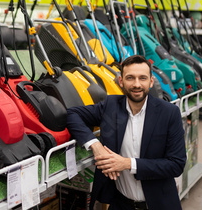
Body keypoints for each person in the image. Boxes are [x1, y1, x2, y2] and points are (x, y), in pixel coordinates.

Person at [66, 55, 186, 210]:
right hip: (121, 204)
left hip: (158, 204)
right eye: (130, 78)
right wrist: (96, 146)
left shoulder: (169, 113)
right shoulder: (111, 107)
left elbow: (176, 164)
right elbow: (72, 114)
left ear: (151, 82)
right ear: (121, 81)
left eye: (142, 78)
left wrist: (128, 163)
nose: (137, 84)